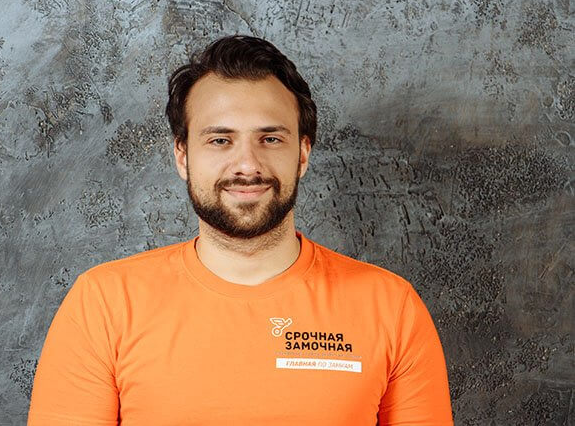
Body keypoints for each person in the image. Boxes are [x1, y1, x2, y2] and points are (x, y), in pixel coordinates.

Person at [28, 34, 454, 425]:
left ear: (303, 154)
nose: (248, 165)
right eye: (220, 140)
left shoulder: (392, 308)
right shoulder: (103, 304)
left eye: (270, 139)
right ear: (182, 156)